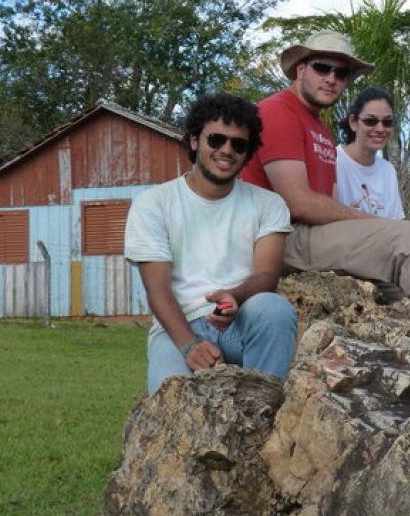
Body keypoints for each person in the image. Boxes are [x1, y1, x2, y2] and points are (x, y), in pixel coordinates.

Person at [241, 30, 410, 343]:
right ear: (301, 69)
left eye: (341, 73)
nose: (331, 78)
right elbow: (299, 203)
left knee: (402, 282)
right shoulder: (278, 111)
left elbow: (326, 206)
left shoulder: (322, 132)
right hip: (276, 239)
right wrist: (380, 227)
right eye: (322, 68)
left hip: (307, 236)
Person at [124, 92, 297, 395]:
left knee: (274, 309)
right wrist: (190, 344)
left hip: (241, 322)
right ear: (194, 141)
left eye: (238, 144)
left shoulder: (269, 204)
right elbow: (157, 289)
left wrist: (235, 295)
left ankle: (263, 408)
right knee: (171, 404)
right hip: (178, 328)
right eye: (216, 139)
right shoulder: (154, 203)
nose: (227, 150)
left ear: (247, 152)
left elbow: (266, 276)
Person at [335, 86, 405, 219]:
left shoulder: (388, 170)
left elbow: (396, 222)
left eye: (387, 122)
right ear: (353, 123)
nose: (380, 128)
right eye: (370, 121)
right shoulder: (332, 161)